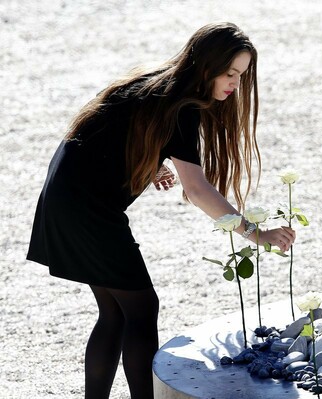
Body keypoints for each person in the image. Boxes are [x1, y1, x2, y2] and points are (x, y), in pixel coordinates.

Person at [26, 22, 295, 399]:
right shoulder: (182, 107)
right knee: (141, 308)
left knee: (116, 312)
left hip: (64, 196)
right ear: (207, 67)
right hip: (89, 209)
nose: (235, 83)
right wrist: (257, 233)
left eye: (241, 75)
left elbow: (109, 132)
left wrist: (150, 161)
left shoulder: (156, 84)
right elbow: (198, 190)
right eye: (230, 73)